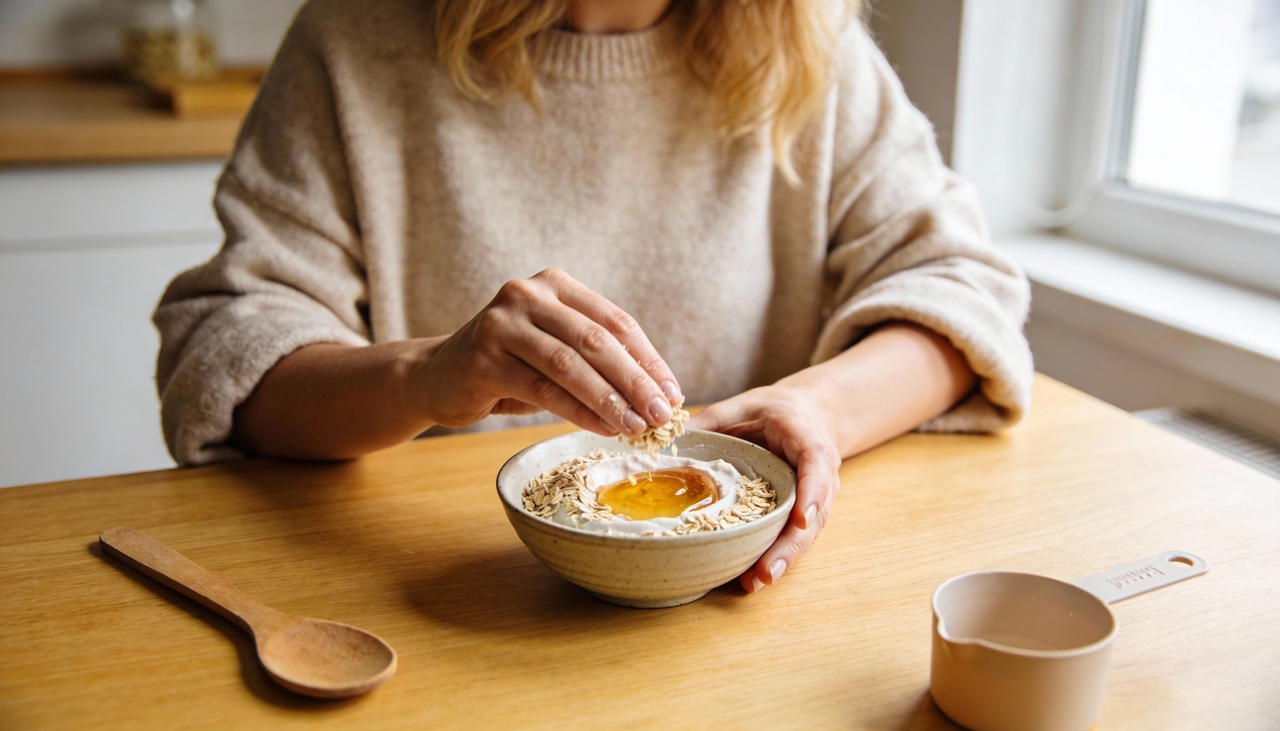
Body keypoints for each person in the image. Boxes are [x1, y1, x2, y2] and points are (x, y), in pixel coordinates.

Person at [154, 0, 1033, 594]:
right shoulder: (356, 42)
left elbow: (963, 293)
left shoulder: (807, 43)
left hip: (749, 616)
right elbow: (228, 357)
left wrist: (817, 409)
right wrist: (425, 375)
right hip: (445, 602)